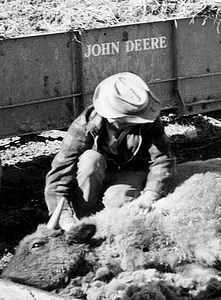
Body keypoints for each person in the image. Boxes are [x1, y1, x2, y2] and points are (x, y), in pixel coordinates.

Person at [44, 72, 176, 227]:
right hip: (94, 174)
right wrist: (65, 219)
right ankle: (85, 220)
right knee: (91, 160)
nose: (133, 123)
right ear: (111, 117)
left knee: (119, 204)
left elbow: (162, 159)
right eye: (127, 120)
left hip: (130, 172)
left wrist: (150, 195)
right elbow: (60, 171)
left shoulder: (150, 123)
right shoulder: (85, 125)